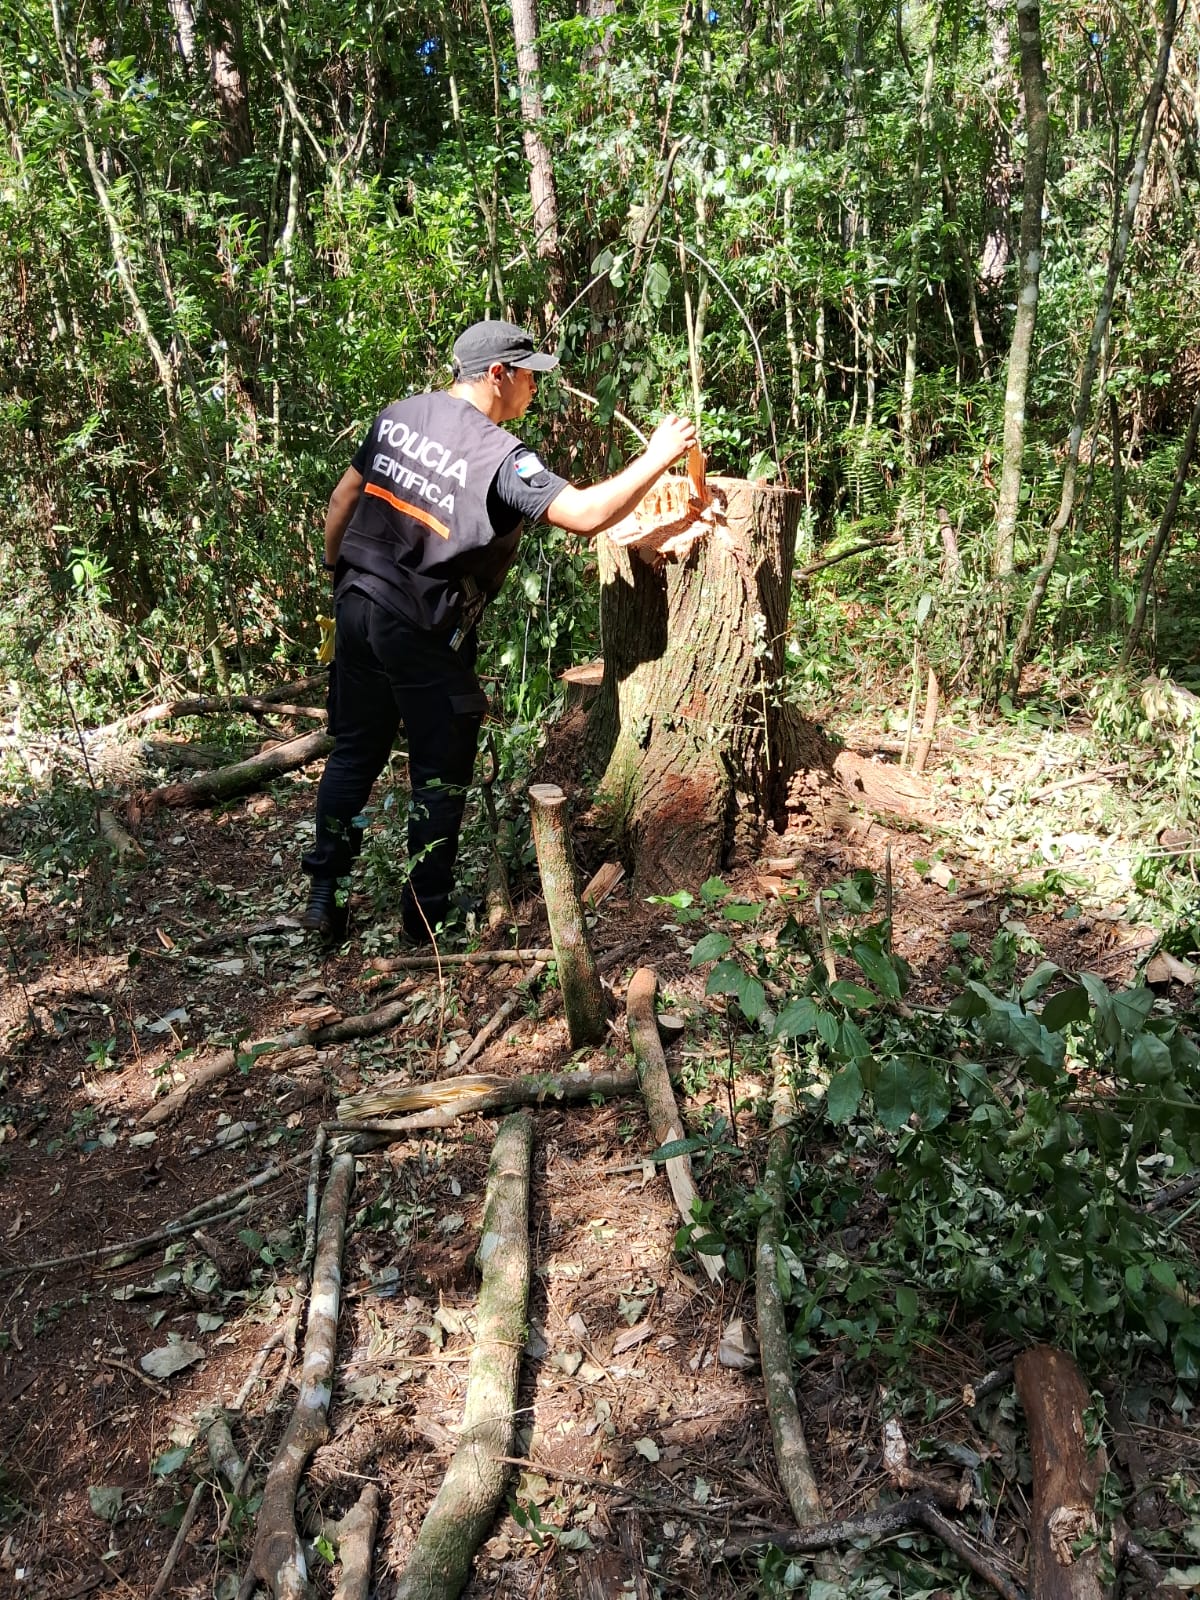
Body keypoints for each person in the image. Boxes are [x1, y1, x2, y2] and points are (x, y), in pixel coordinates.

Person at [301, 318, 697, 944]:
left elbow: (343, 498)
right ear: (497, 375)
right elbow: (586, 515)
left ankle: (326, 899)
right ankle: (424, 921)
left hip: (356, 603)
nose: (534, 388)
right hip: (422, 627)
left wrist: (338, 575)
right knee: (439, 769)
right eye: (529, 375)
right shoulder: (501, 458)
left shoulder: (400, 415)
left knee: (354, 752)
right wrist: (656, 456)